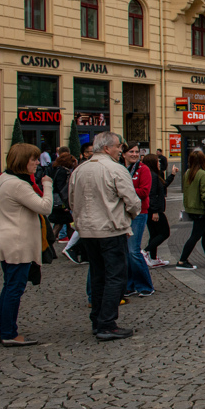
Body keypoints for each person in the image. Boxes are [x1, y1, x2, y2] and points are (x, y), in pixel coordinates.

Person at [69, 131, 140, 341]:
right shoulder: (115, 169)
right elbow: (133, 201)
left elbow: (72, 200)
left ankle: (97, 320)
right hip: (111, 229)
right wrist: (129, 217)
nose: (121, 150)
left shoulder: (79, 170)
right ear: (107, 148)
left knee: (98, 274)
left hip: (88, 232)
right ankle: (107, 323)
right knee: (116, 276)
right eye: (119, 146)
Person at [0, 143, 53, 346]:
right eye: (33, 159)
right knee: (14, 288)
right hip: (17, 241)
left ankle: (2, 330)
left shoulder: (3, 178)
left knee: (9, 286)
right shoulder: (18, 184)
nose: (37, 163)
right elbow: (45, 207)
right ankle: (9, 333)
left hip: (6, 237)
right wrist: (47, 185)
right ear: (22, 161)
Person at [176, 149, 205, 270]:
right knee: (195, 236)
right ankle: (182, 260)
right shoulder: (203, 174)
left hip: (191, 208)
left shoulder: (187, 173)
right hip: (200, 209)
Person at [122, 143, 154, 297]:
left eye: (137, 152)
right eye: (131, 151)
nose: (134, 154)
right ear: (124, 154)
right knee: (126, 252)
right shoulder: (121, 169)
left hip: (140, 212)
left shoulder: (143, 169)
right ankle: (130, 285)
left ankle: (145, 285)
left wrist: (124, 192)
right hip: (123, 213)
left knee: (134, 250)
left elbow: (144, 191)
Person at [142, 154, 175, 267]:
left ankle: (153, 258)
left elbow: (163, 185)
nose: (159, 163)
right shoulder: (152, 176)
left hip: (150, 209)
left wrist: (172, 175)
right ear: (152, 163)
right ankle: (145, 252)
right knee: (164, 233)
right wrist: (155, 211)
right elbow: (152, 194)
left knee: (154, 234)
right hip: (154, 210)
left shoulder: (154, 175)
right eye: (157, 161)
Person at [48, 153, 77, 246]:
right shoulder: (64, 171)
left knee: (66, 223)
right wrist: (67, 203)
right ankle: (48, 247)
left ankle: (73, 246)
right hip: (61, 201)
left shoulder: (55, 169)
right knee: (59, 224)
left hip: (57, 199)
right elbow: (62, 188)